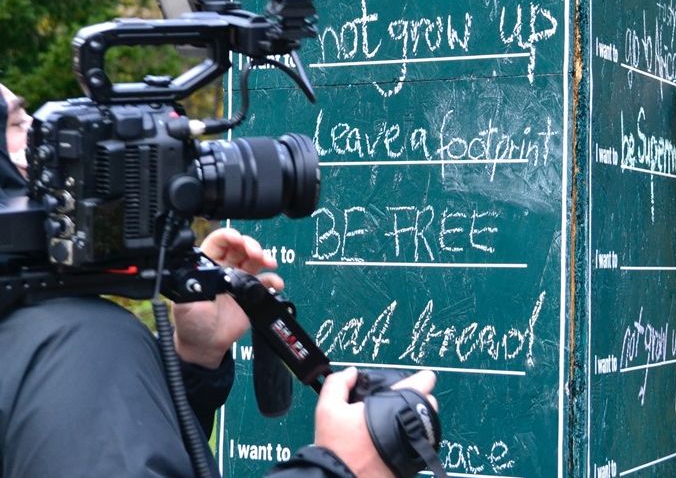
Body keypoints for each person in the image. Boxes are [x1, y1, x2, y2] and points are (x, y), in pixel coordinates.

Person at [0, 82, 437, 477]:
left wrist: (192, 360)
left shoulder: (28, 323)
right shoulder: (77, 343)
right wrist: (341, 468)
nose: (47, 134)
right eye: (20, 122)